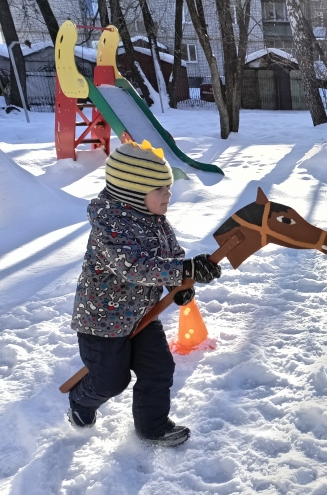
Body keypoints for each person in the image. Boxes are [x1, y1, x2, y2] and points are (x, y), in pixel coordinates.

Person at [68, 141, 222, 447]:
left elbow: (171, 255)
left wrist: (179, 285)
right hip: (102, 321)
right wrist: (183, 269)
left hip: (142, 314)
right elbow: (134, 267)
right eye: (160, 189)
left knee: (159, 369)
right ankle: (81, 402)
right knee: (111, 381)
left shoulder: (157, 221)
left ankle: (153, 427)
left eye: (168, 187)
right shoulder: (110, 226)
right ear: (132, 193)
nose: (169, 194)